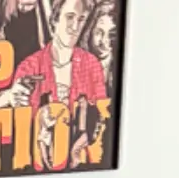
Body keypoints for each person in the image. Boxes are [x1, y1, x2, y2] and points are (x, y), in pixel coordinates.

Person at [14, 0, 109, 168]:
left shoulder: (91, 65)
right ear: (55, 19)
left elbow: (102, 119)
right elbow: (20, 128)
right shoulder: (29, 67)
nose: (75, 27)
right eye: (70, 17)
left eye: (81, 19)